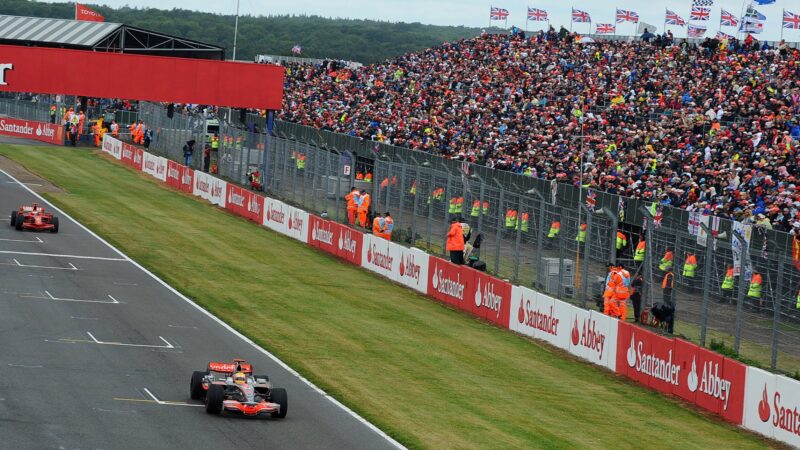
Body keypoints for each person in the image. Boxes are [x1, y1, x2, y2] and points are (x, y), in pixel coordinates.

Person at [662, 268, 675, 333]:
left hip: (667, 290)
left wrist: (666, 289)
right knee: (666, 300)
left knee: (666, 300)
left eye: (666, 269)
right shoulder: (669, 274)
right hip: (667, 290)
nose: (665, 269)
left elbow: (669, 283)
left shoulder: (670, 275)